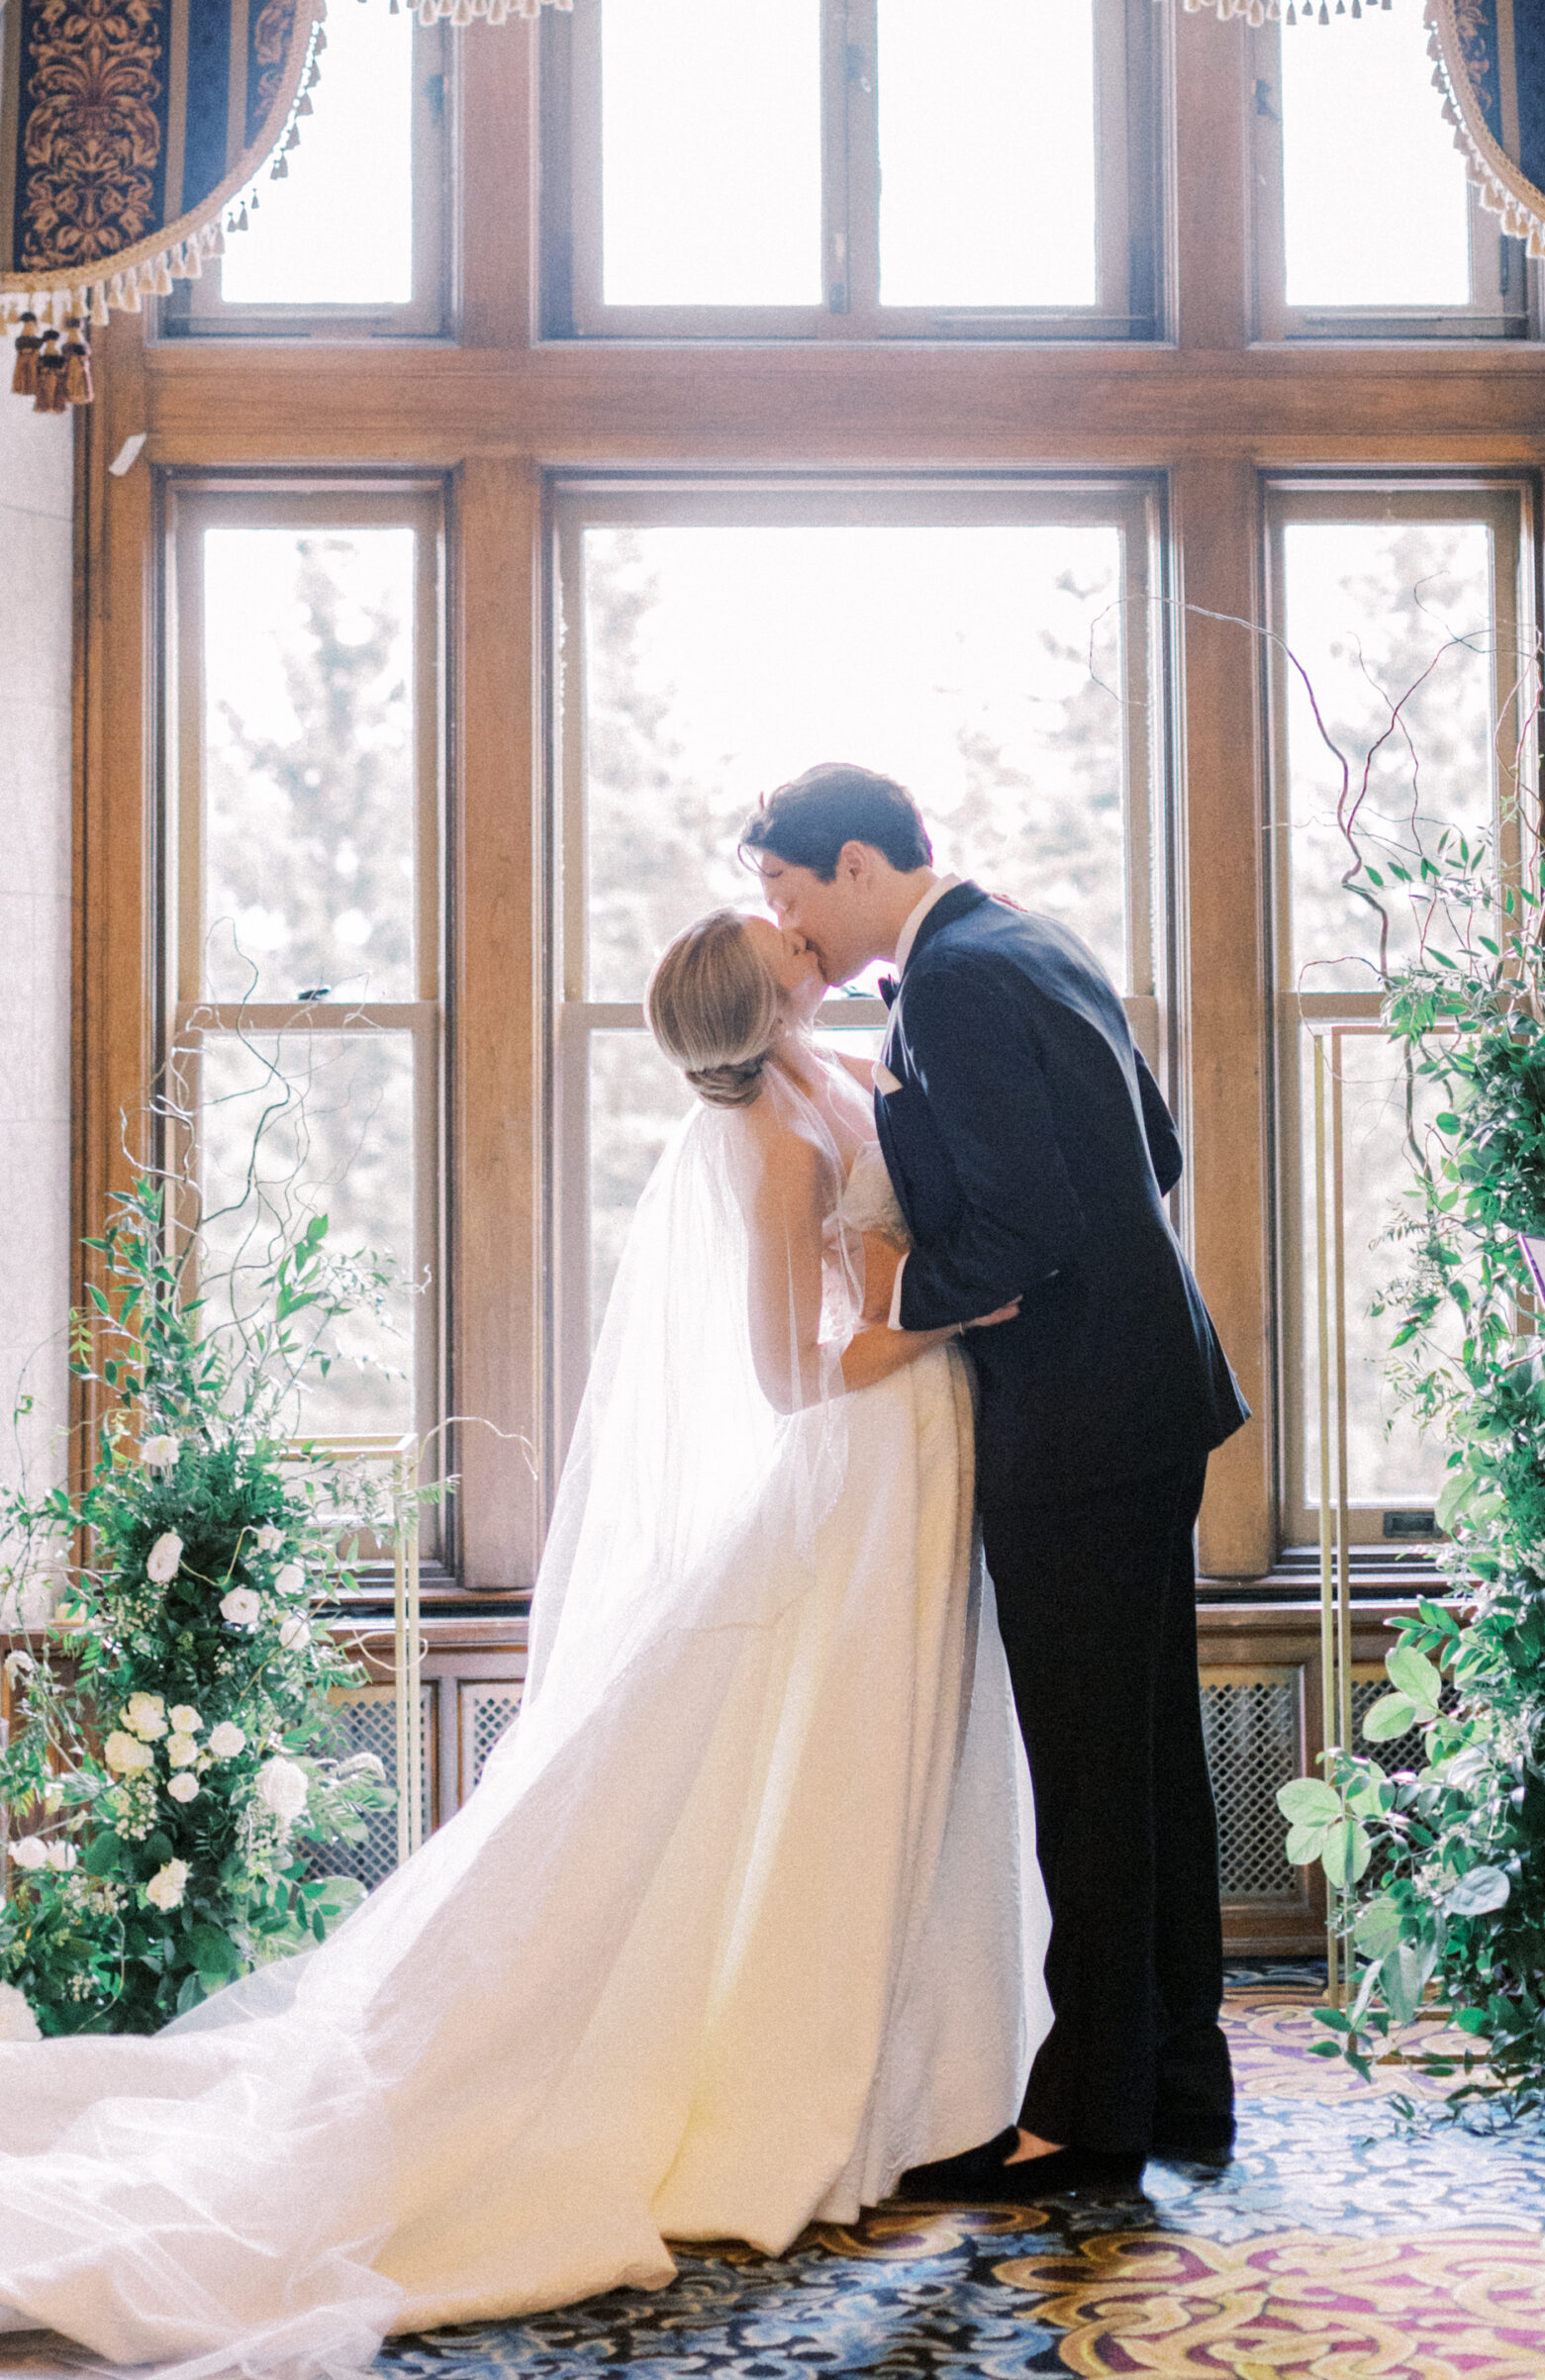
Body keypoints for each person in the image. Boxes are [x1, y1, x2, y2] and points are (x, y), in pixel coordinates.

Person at [0, 907, 1033, 2378]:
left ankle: (892, 2072)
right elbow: (790, 1376)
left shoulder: (827, 1075)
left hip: (912, 1462)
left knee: (856, 1767)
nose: (805, 930)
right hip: (857, 1465)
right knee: (807, 1769)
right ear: (776, 989)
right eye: (783, 934)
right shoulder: (769, 1144)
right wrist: (952, 1314)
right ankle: (769, 2087)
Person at [744, 763, 1250, 2209]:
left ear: (852, 863)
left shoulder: (952, 983)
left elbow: (1028, 1219)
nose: (788, 926)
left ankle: (1087, 2120)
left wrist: (927, 1300)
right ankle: (1177, 2087)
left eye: (787, 892)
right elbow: (1153, 1151)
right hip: (1149, 1392)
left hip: (1079, 1419)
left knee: (1093, 1776)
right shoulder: (1031, 936)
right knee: (1146, 1763)